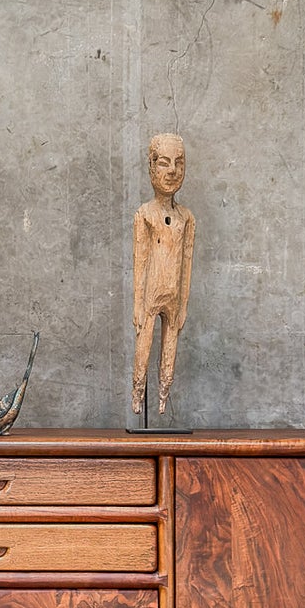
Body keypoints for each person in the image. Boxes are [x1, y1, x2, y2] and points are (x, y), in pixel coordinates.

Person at [131, 133, 194, 416]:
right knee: (142, 353)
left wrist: (183, 305)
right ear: (151, 166)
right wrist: (137, 303)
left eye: (178, 164)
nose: (172, 171)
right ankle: (137, 396)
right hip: (150, 297)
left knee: (170, 355)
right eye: (164, 163)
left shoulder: (187, 218)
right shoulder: (145, 214)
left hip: (173, 298)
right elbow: (140, 260)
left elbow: (187, 265)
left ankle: (162, 402)